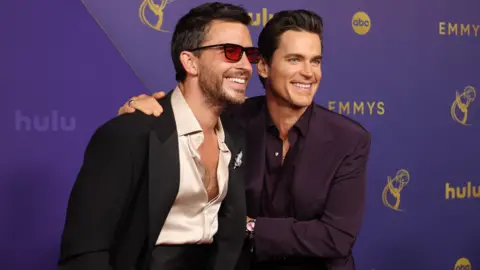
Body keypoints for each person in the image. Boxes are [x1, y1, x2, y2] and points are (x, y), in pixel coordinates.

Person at [118, 9, 371, 270]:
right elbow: (181, 110)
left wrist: (251, 227)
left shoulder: (349, 139)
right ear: (263, 66)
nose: (309, 73)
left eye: (315, 61)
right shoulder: (228, 120)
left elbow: (336, 237)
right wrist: (143, 111)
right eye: (295, 59)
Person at [58, 2, 261, 270]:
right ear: (190, 62)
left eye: (251, 54)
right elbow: (85, 252)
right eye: (231, 52)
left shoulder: (234, 137)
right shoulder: (129, 134)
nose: (246, 66)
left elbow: (227, 237)